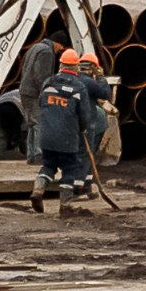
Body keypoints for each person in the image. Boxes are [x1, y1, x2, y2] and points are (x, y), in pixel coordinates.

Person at [32, 47, 111, 214]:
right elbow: (85, 115)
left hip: (46, 136)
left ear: (61, 65)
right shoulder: (79, 87)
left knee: (48, 165)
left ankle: (38, 190)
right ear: (75, 67)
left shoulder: (49, 82)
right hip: (68, 137)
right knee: (70, 168)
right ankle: (65, 205)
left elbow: (41, 103)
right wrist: (82, 129)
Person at [16, 24, 67, 164]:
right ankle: (38, 155)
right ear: (57, 43)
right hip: (34, 92)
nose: (61, 50)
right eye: (61, 46)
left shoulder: (35, 47)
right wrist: (47, 92)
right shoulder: (46, 52)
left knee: (32, 123)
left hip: (25, 90)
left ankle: (31, 156)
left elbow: (25, 67)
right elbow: (41, 76)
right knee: (39, 123)